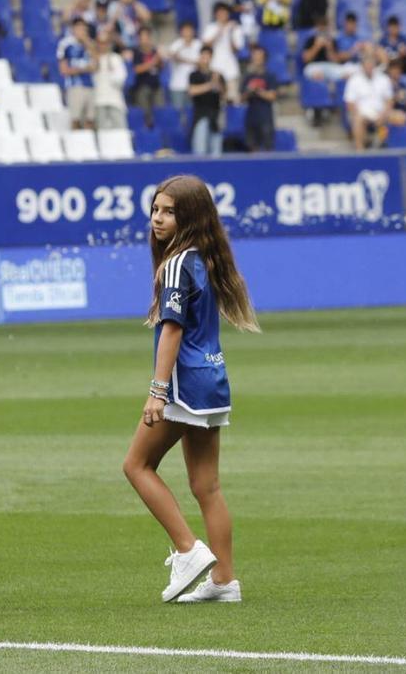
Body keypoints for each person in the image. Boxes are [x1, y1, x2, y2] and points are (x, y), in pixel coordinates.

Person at [122, 174, 259, 604]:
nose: (157, 219)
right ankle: (224, 581)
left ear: (190, 217)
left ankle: (187, 550)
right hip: (213, 380)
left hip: (185, 385)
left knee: (136, 465)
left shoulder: (179, 262)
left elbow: (172, 331)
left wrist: (157, 391)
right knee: (206, 486)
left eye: (168, 212)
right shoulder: (201, 257)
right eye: (155, 210)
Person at [343, 54, 394, 151]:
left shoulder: (384, 79)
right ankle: (360, 151)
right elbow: (350, 103)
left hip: (381, 112)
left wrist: (383, 114)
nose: (369, 67)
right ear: (362, 66)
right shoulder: (354, 80)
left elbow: (389, 100)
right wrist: (357, 114)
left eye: (371, 64)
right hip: (362, 113)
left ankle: (394, 150)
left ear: (375, 65)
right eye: (367, 64)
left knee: (400, 118)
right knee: (357, 119)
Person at [201, 2, 244, 102]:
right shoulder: (210, 27)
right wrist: (220, 31)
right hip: (214, 68)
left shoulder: (235, 28)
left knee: (233, 99)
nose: (222, 15)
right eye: (220, 13)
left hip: (231, 69)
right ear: (215, 14)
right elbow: (205, 46)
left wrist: (230, 33)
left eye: (225, 12)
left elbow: (236, 49)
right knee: (216, 99)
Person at [58, 18, 96, 129]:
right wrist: (83, 69)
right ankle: (75, 144)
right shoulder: (65, 44)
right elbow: (63, 70)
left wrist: (87, 43)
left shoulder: (90, 44)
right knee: (76, 120)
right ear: (73, 29)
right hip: (74, 85)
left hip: (90, 85)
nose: (82, 31)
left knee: (90, 120)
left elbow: (96, 65)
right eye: (79, 28)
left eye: (84, 29)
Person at [188, 46, 224, 155]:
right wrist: (210, 85)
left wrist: (217, 84)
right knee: (200, 151)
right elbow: (192, 91)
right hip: (201, 116)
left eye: (208, 56)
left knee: (216, 153)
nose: (205, 59)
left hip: (215, 117)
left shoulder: (218, 75)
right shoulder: (194, 75)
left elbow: (224, 94)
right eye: (203, 56)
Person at [241, 45, 277, 151]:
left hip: (266, 117)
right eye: (255, 56)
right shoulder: (248, 77)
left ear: (264, 58)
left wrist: (257, 90)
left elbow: (272, 96)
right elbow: (241, 98)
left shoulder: (270, 76)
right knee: (251, 148)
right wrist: (249, 91)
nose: (257, 59)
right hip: (251, 117)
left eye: (259, 56)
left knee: (267, 149)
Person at [93, 30, 127, 129]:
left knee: (120, 132)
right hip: (99, 101)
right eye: (100, 43)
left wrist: (110, 69)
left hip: (115, 101)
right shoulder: (93, 58)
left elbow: (120, 80)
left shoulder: (116, 59)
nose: (102, 46)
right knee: (103, 134)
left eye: (105, 43)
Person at [130, 26, 162, 127]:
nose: (145, 40)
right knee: (145, 113)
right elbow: (137, 69)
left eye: (147, 37)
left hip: (156, 86)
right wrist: (152, 63)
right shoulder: (136, 52)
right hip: (142, 86)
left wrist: (160, 59)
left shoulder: (154, 51)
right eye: (142, 37)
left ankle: (161, 133)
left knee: (161, 111)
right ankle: (147, 133)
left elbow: (160, 67)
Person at [165, 21, 200, 111]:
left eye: (189, 30)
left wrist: (183, 59)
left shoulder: (198, 44)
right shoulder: (176, 44)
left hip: (194, 85)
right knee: (178, 112)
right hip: (177, 85)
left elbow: (202, 62)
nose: (187, 33)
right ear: (181, 32)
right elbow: (171, 56)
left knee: (193, 112)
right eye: (185, 30)